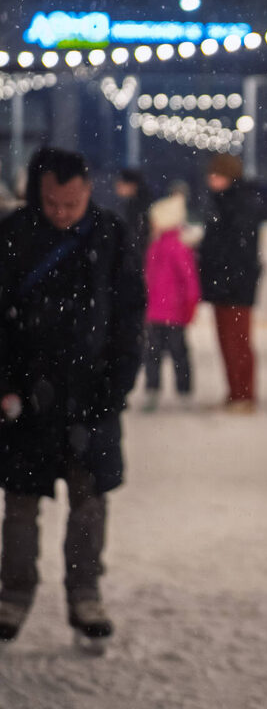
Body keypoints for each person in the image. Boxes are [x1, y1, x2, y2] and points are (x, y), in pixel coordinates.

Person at [0, 147, 145, 648]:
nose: (61, 212)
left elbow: (129, 318)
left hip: (92, 397)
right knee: (20, 504)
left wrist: (116, 388)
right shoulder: (14, 234)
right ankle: (12, 595)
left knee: (89, 503)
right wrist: (6, 384)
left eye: (72, 203)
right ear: (37, 194)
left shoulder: (110, 235)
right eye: (52, 203)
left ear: (88, 192)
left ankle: (86, 595)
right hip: (26, 400)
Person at [197, 153, 261, 413]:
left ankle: (244, 394)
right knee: (226, 342)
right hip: (223, 283)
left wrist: (224, 273)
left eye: (217, 175)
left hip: (235, 285)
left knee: (237, 342)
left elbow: (238, 249)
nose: (211, 179)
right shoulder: (219, 202)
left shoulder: (240, 204)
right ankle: (235, 392)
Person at [142, 193, 201, 412]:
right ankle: (155, 390)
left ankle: (180, 391)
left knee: (175, 353)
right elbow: (148, 279)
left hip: (172, 312)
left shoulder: (177, 247)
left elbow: (189, 279)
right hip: (156, 312)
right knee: (156, 354)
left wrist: (190, 303)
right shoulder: (155, 246)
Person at [114, 167, 152, 266]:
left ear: (132, 185)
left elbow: (139, 238)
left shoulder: (138, 208)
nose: (117, 186)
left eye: (121, 183)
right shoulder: (137, 204)